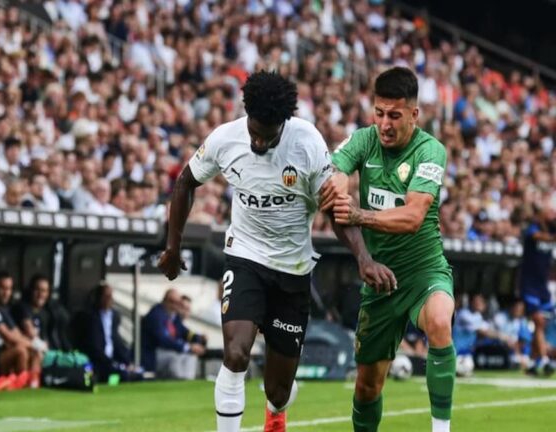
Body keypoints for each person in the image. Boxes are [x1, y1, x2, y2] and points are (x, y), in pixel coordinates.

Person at [158, 71, 394, 432]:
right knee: (235, 354)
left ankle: (277, 410)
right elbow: (186, 181)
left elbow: (333, 208)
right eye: (253, 131)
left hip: (292, 270)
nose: (257, 141)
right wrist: (172, 247)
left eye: (266, 137)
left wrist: (363, 257)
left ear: (283, 123)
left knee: (278, 388)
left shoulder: (307, 143)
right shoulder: (225, 138)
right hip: (245, 257)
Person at [323, 67, 455, 432]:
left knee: (441, 321)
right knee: (367, 387)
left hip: (423, 271)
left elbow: (413, 216)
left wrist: (359, 213)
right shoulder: (363, 141)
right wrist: (336, 183)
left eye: (394, 115)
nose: (384, 123)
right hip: (380, 282)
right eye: (379, 113)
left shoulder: (430, 151)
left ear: (414, 114)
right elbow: (335, 175)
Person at [518, 205, 556, 375]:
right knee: (539, 321)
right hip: (529, 285)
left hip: (543, 287)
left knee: (542, 324)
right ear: (541, 215)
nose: (553, 214)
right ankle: (545, 360)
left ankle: (533, 363)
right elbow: (539, 237)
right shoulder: (532, 228)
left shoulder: (553, 228)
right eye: (550, 211)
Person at [140, 288, 205, 380]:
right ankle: (178, 383)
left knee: (190, 355)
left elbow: (185, 332)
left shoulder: (173, 316)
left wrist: (198, 338)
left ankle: (188, 383)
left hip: (167, 351)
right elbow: (163, 339)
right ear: (169, 302)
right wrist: (187, 347)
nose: (179, 306)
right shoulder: (156, 315)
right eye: (178, 303)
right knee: (175, 358)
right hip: (153, 354)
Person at [83, 282, 143, 382]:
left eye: (110, 296)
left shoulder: (114, 316)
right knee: (120, 375)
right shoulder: (91, 317)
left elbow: (116, 341)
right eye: (106, 296)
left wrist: (127, 362)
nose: (109, 299)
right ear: (99, 298)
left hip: (113, 360)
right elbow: (94, 346)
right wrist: (112, 363)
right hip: (98, 362)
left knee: (137, 373)